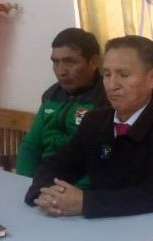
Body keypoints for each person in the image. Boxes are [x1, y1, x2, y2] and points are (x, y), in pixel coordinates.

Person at [24, 35, 153, 220]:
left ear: (152, 78)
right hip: (106, 224)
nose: (112, 85)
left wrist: (86, 203)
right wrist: (45, 193)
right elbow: (59, 163)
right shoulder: (95, 121)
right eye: (107, 74)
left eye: (123, 75)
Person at [16, 27, 109, 186]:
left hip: (81, 188)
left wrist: (75, 192)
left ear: (94, 62)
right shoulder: (51, 95)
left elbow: (105, 154)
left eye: (70, 62)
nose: (61, 71)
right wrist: (25, 183)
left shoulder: (107, 100)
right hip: (43, 180)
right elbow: (31, 146)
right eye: (55, 62)